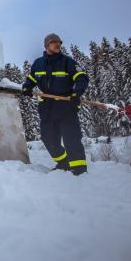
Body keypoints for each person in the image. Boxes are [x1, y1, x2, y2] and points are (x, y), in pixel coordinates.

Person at [21, 33, 90, 175]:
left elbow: (81, 77)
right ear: (46, 45)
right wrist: (27, 87)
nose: (58, 44)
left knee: (71, 138)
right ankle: (64, 162)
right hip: (47, 108)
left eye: (59, 42)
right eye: (54, 42)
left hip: (66, 106)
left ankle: (79, 168)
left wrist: (76, 93)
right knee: (49, 139)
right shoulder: (38, 63)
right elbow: (32, 78)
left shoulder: (67, 62)